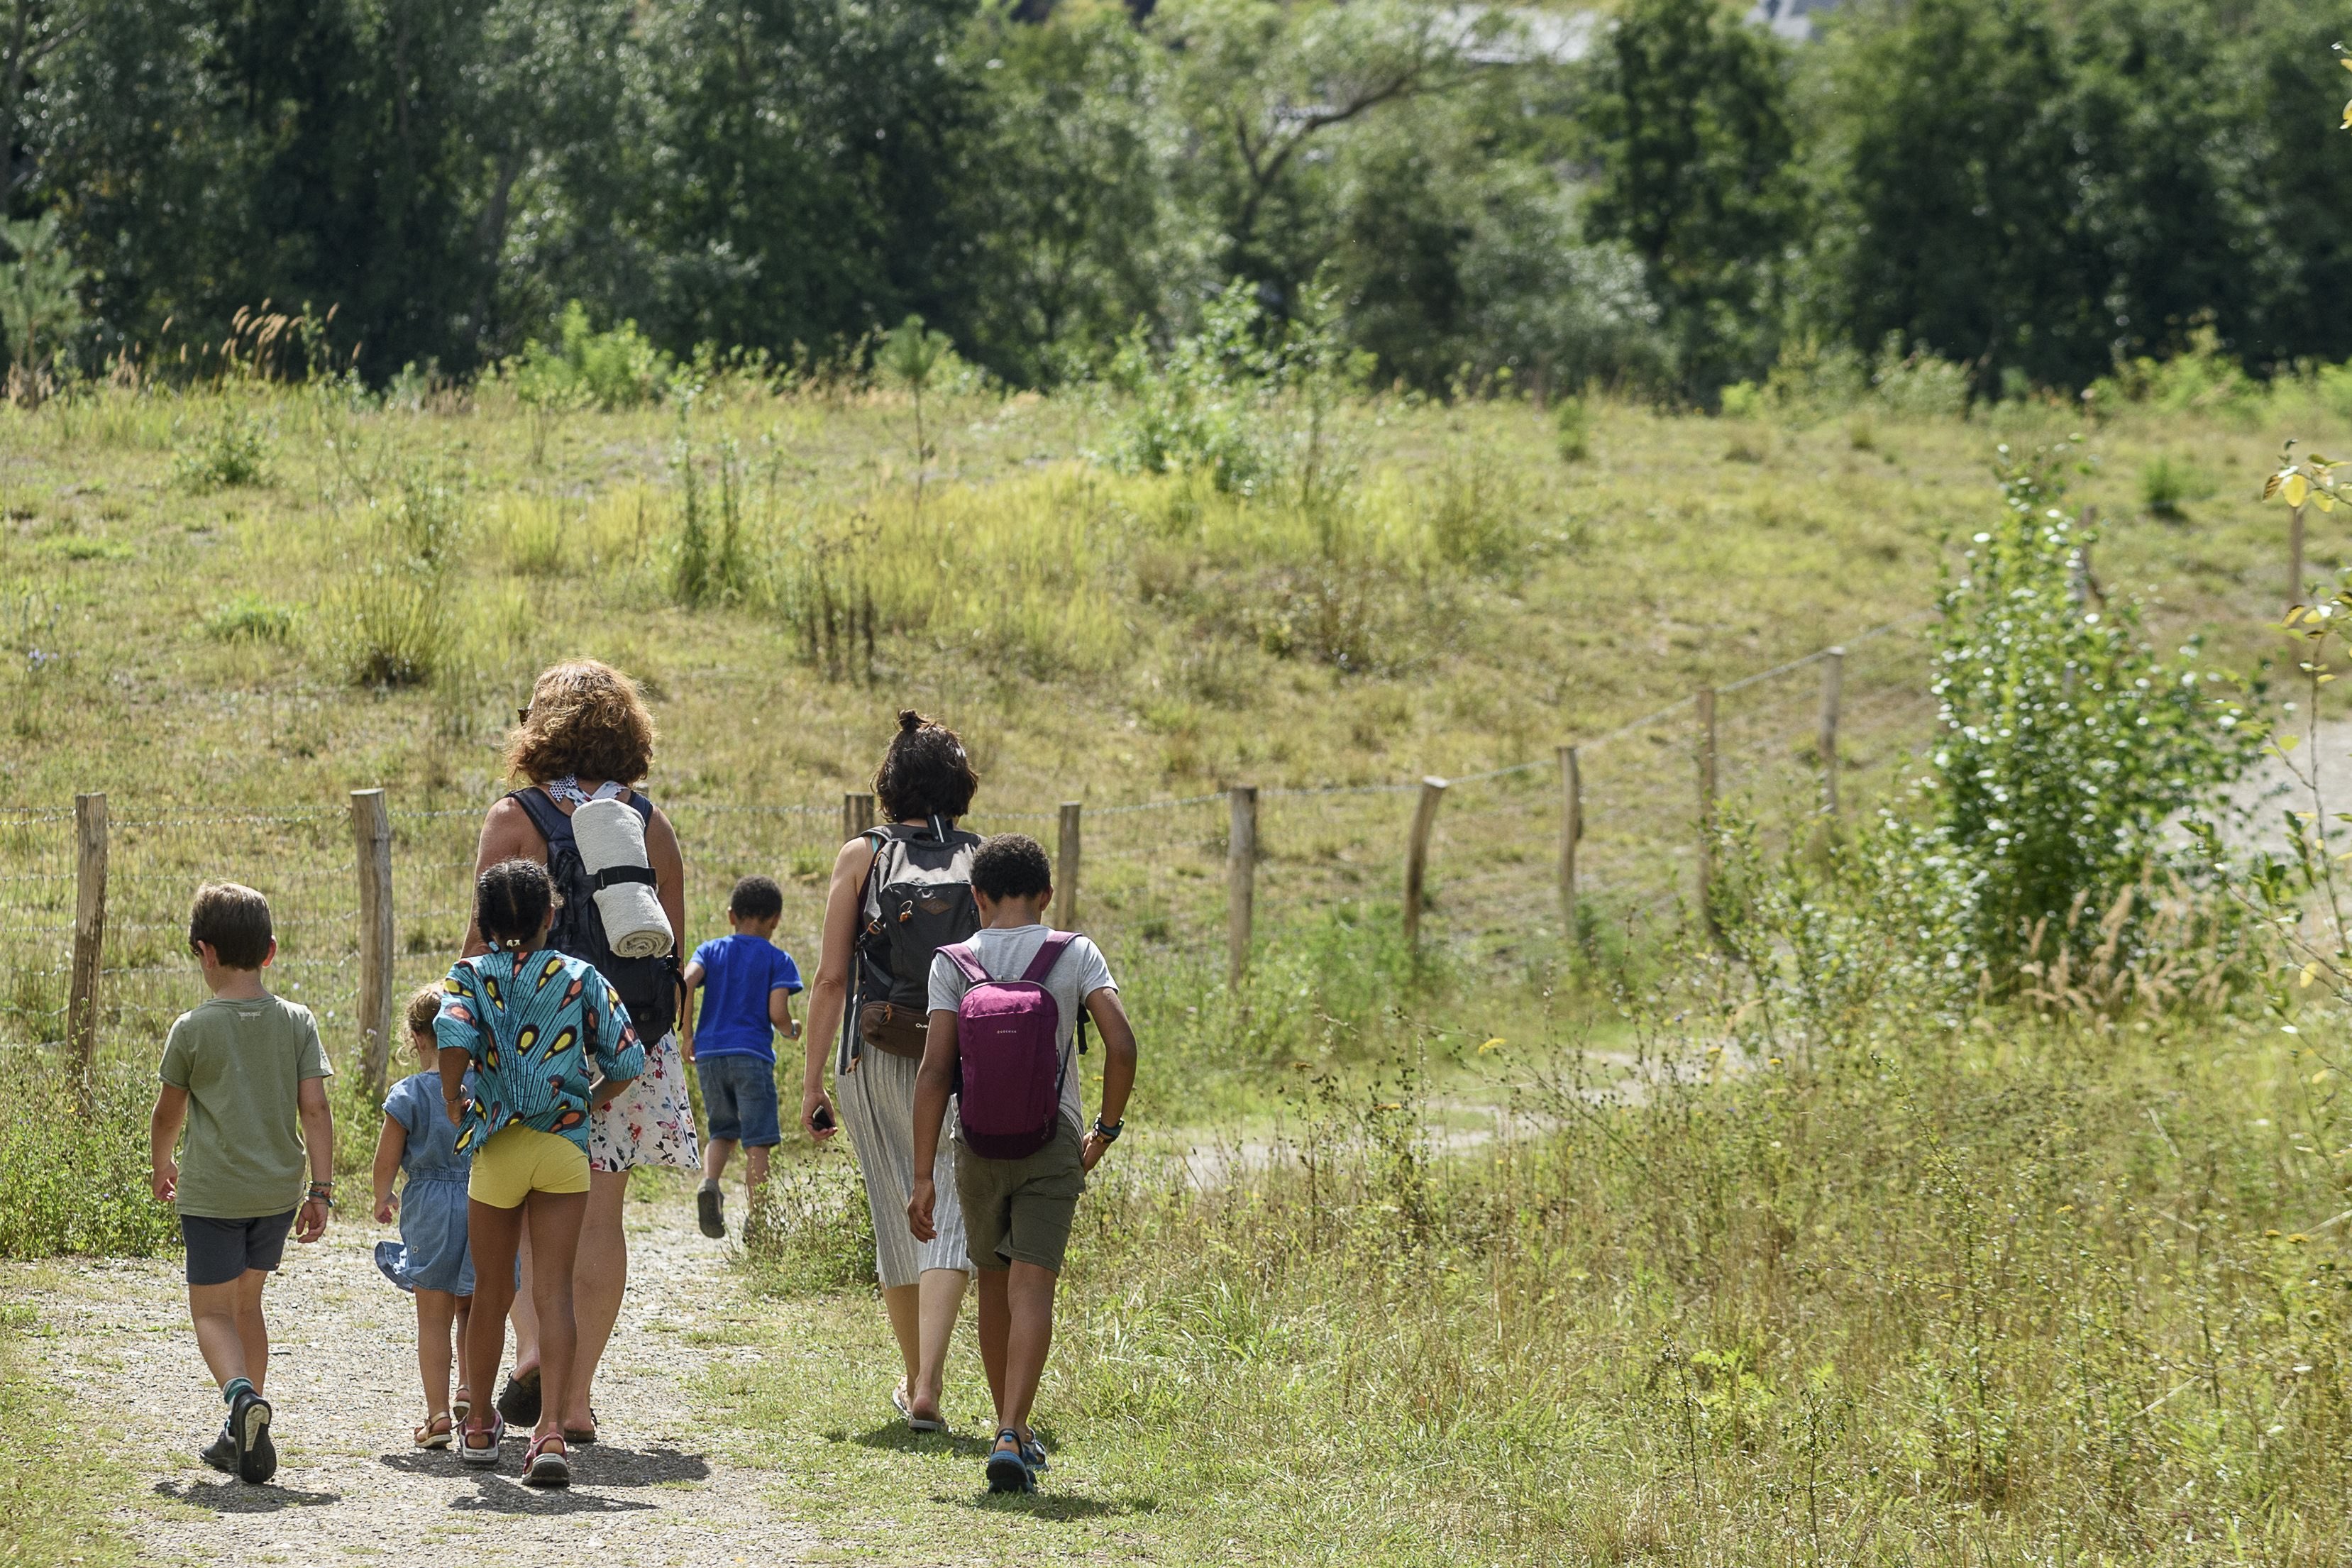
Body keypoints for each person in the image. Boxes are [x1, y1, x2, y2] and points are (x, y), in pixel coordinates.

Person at [465, 658, 698, 1444]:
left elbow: (480, 941)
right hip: (630, 1040)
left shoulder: (517, 817)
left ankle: (534, 1351)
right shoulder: (648, 821)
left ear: (541, 726)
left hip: (533, 1046)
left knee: (528, 1212)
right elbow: (674, 949)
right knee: (601, 1218)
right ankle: (576, 1397)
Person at [908, 833, 1137, 1494]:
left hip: (975, 1143)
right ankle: (1014, 1429)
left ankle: (1004, 1429)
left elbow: (933, 1074)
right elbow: (1120, 1045)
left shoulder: (952, 961)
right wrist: (1106, 1129)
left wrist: (923, 1176)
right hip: (1053, 1140)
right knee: (1033, 1285)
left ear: (977, 898)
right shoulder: (1075, 952)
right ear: (1046, 895)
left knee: (991, 1282)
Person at [800, 711, 981, 1432]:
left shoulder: (862, 855)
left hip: (872, 1052)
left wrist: (812, 1082)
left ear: (890, 783)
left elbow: (832, 978)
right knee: (953, 1213)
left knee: (897, 1210)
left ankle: (913, 1377)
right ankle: (932, 1378)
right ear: (959, 785)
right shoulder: (985, 856)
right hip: (963, 1051)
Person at [437, 858, 644, 1487]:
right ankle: (550, 1431)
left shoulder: (469, 974)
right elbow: (628, 1058)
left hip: (498, 1146)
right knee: (553, 1290)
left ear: (482, 920)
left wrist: (455, 1099)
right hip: (562, 1147)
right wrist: (589, 1098)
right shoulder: (581, 977)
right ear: (552, 915)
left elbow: (451, 1038)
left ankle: (477, 1426)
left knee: (492, 1292)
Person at [147, 882, 335, 1487]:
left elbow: (168, 1114)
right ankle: (240, 1436)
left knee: (209, 1312)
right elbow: (317, 1112)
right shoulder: (297, 1022)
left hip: (214, 1195)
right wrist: (321, 1190)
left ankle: (240, 1399)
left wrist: (161, 1163)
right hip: (277, 1194)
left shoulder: (192, 1028)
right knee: (247, 1304)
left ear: (203, 951)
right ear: (271, 951)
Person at [371, 984, 477, 1450]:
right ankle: (471, 1395)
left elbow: (385, 1158)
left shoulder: (408, 1093)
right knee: (474, 1307)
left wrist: (383, 1195)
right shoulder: (482, 1087)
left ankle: (437, 1416)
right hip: (483, 1198)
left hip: (430, 1206)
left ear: (417, 1037)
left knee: (432, 1318)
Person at [683, 874, 803, 1240]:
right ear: (776, 920)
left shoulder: (710, 950)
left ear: (731, 915)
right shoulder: (778, 959)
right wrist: (790, 1029)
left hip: (709, 1055)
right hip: (751, 1055)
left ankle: (709, 1183)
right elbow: (777, 1012)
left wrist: (687, 1034)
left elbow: (686, 981)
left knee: (722, 1130)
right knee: (758, 1141)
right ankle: (758, 1220)